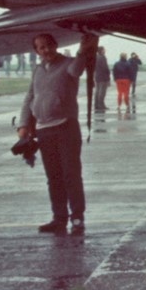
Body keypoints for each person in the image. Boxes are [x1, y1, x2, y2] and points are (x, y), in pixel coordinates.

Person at [19, 31, 98, 235]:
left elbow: (76, 70)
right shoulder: (38, 70)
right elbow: (30, 97)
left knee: (71, 174)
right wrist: (23, 124)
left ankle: (77, 217)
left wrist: (83, 50)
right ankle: (59, 218)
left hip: (66, 128)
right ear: (36, 51)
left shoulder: (69, 63)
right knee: (53, 177)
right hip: (44, 130)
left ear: (55, 45)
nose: (46, 50)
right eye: (41, 47)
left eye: (48, 46)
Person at [93, 45, 111, 113]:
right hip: (103, 77)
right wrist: (108, 77)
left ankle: (96, 105)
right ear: (101, 50)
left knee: (97, 92)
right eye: (104, 49)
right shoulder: (103, 57)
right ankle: (101, 105)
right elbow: (105, 68)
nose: (105, 50)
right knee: (102, 92)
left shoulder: (96, 57)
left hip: (97, 76)